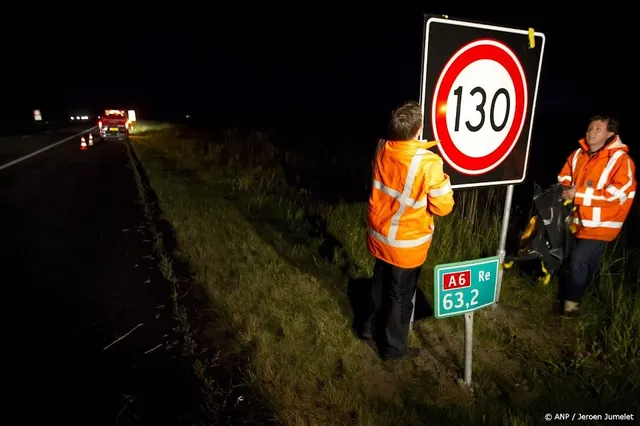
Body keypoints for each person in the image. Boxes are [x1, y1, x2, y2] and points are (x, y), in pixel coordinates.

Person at [362, 101, 455, 360]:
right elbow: (443, 207)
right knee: (401, 300)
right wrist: (444, 180)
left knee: (379, 287)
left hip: (380, 238)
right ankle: (394, 350)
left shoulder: (382, 148)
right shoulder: (429, 163)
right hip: (406, 247)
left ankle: (368, 330)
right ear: (418, 130)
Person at [557, 115, 636, 316]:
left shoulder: (620, 160)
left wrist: (579, 193)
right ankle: (589, 295)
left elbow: (618, 193)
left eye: (597, 129)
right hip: (578, 221)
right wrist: (565, 188)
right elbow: (564, 176)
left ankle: (571, 305)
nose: (591, 132)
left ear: (611, 133)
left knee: (578, 261)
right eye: (590, 128)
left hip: (603, 224)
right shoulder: (577, 155)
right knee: (586, 263)